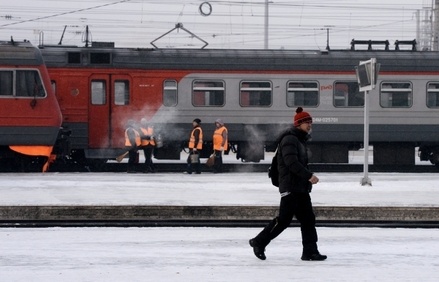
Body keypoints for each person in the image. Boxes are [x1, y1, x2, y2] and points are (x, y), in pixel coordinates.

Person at [249, 107, 327, 261]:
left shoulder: (298, 139)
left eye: (310, 122)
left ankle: (310, 252)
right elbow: (292, 163)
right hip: (291, 187)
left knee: (308, 219)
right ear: (298, 124)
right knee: (284, 220)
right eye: (306, 122)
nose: (309, 125)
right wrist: (309, 176)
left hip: (299, 187)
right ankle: (259, 241)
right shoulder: (290, 139)